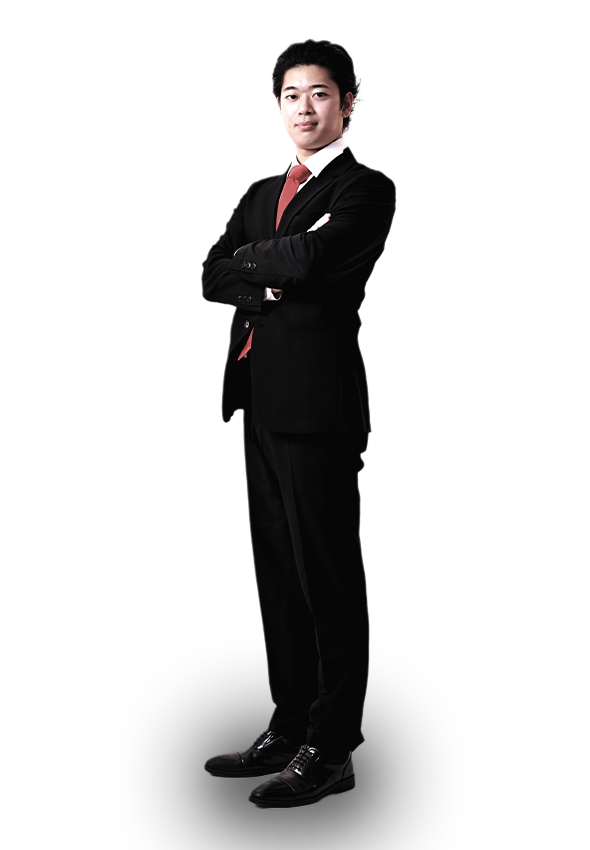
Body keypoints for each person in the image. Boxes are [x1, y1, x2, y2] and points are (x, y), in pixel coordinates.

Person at [200, 37, 396, 809]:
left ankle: (333, 745)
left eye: (320, 93)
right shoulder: (260, 191)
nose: (304, 108)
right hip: (258, 398)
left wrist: (265, 264)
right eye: (291, 94)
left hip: (318, 404)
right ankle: (287, 729)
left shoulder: (366, 188)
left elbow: (316, 263)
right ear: (277, 104)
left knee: (326, 574)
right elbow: (212, 272)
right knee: (277, 573)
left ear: (349, 100)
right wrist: (267, 273)